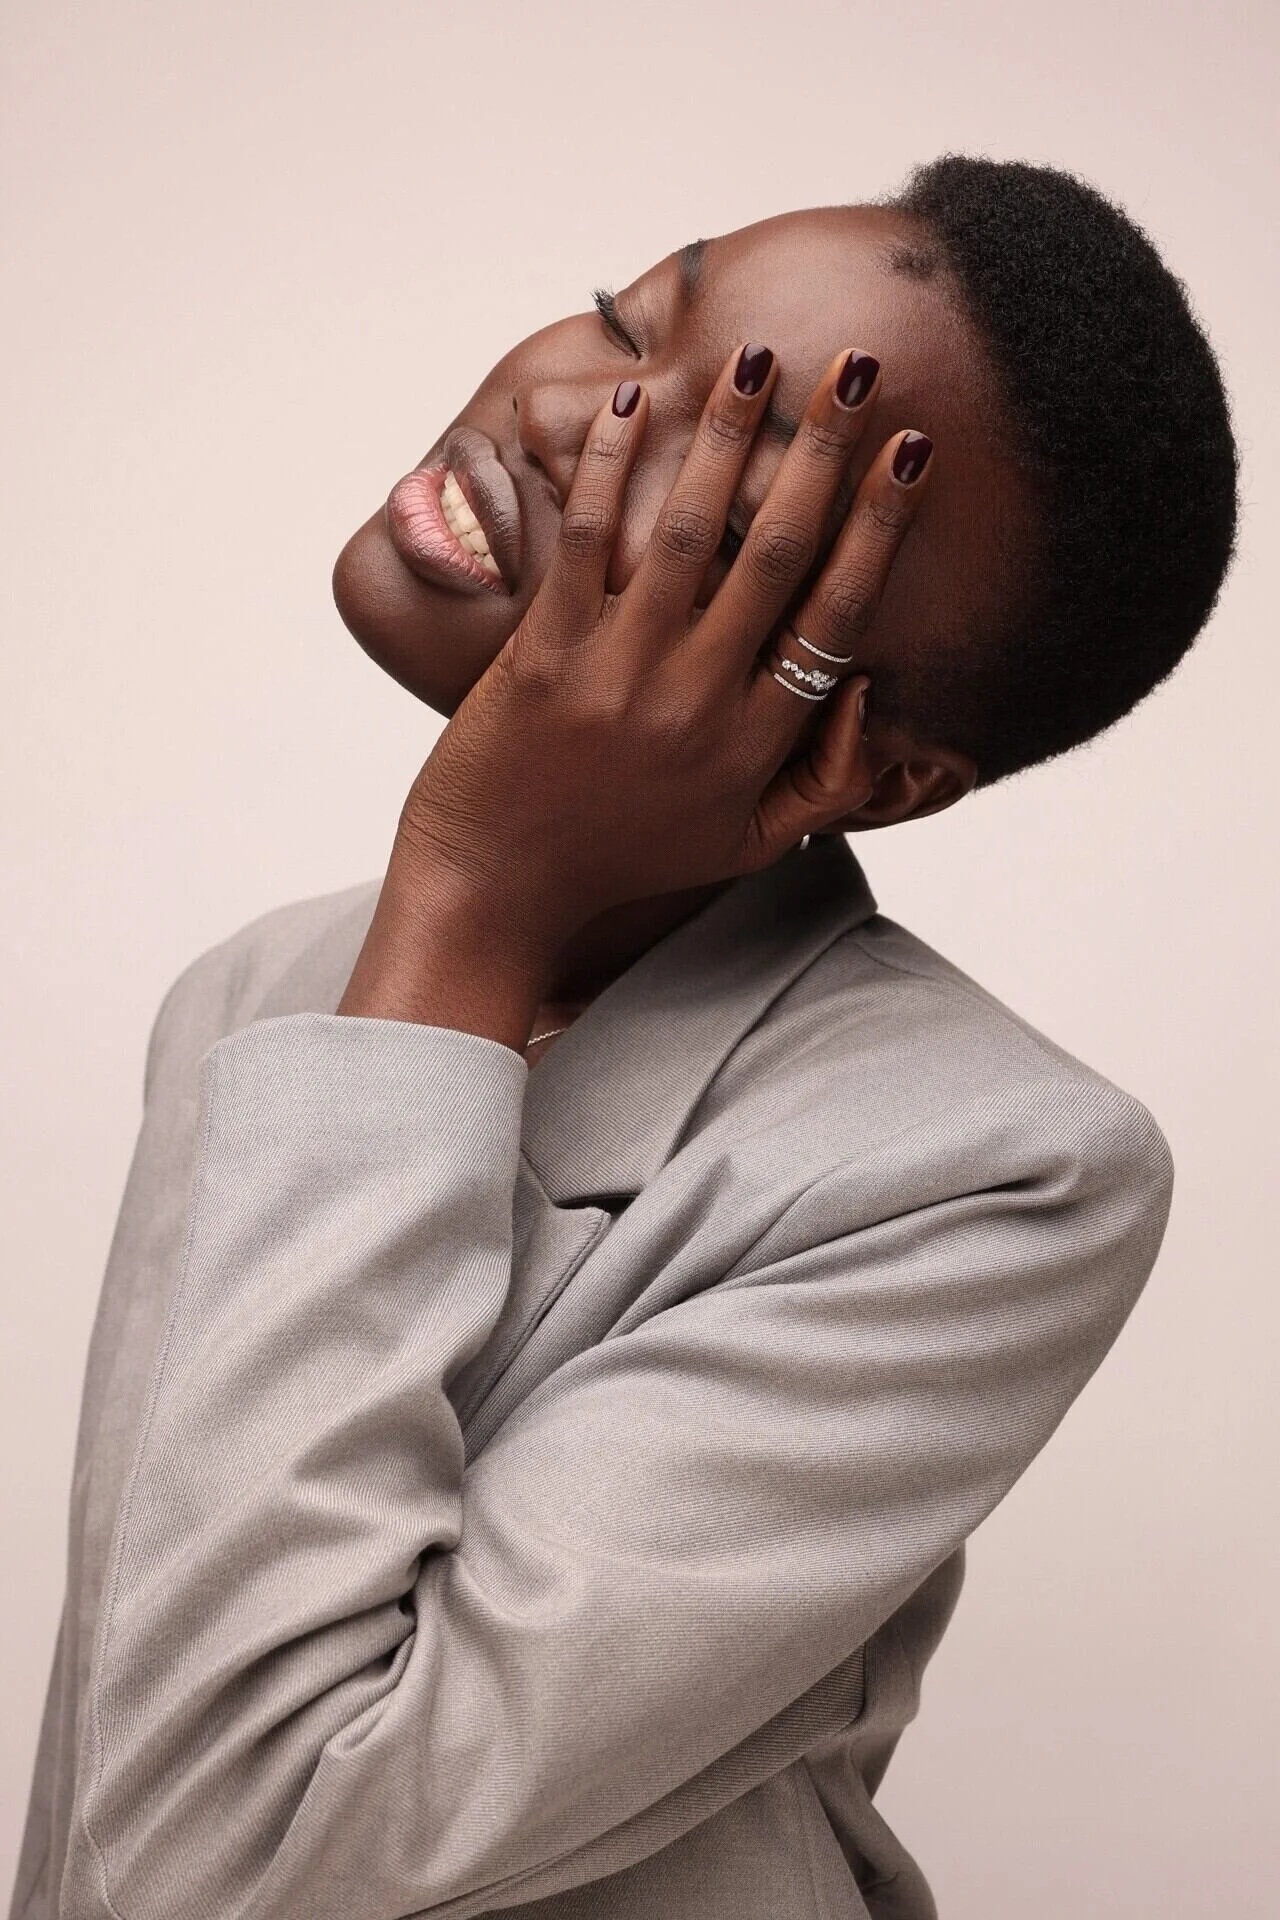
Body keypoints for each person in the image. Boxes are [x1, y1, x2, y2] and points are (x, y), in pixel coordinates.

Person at [13, 156, 1238, 1920]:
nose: (567, 418)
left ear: (876, 766)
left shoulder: (993, 1170)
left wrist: (478, 886)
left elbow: (236, 1849)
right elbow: (109, 1793)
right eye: (623, 317)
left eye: (740, 489)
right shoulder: (254, 998)